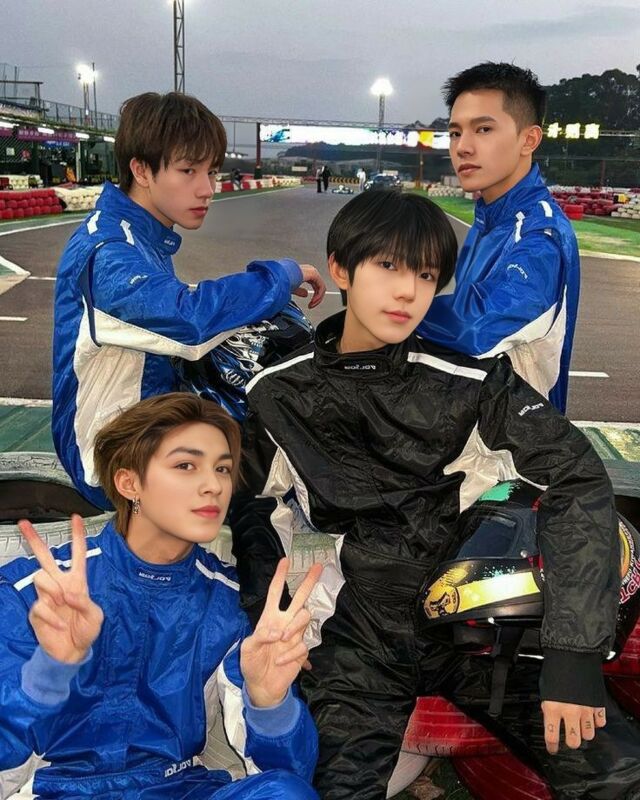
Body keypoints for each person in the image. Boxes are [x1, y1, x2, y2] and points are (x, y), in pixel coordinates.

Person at [230, 190, 640, 800]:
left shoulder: (471, 380)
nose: (408, 292)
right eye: (388, 267)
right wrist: (273, 614)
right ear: (340, 268)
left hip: (472, 622)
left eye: (426, 276)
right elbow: (252, 510)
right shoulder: (277, 393)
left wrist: (573, 656)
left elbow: (576, 479)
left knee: (621, 774)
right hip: (357, 632)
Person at [0, 393, 321, 800]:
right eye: (186, 465)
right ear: (129, 483)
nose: (213, 485)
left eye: (222, 468)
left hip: (181, 788)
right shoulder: (31, 590)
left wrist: (269, 704)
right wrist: (48, 671)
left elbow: (287, 776)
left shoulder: (231, 604)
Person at [52, 91, 325, 510]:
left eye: (211, 171)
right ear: (141, 170)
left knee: (266, 344)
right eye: (188, 171)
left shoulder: (141, 234)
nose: (207, 189)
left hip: (148, 415)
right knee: (282, 461)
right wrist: (280, 275)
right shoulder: (108, 250)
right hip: (108, 453)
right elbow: (189, 321)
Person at [417, 62, 579, 413]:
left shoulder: (540, 234)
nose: (463, 147)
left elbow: (476, 325)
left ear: (528, 140)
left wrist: (386, 306)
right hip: (471, 418)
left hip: (517, 437)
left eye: (484, 129)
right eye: (455, 133)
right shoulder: (489, 218)